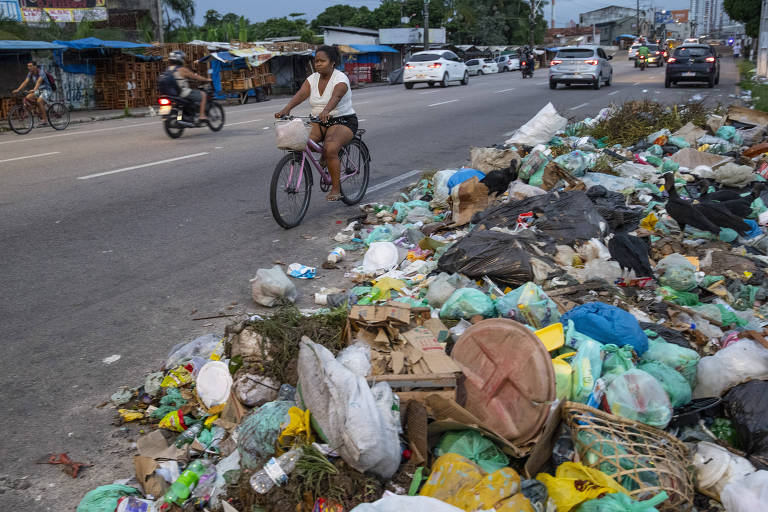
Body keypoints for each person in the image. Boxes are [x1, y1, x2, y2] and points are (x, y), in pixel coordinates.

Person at [275, 45, 358, 201]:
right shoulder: (312, 79)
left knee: (331, 148)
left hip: (343, 120)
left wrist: (327, 110)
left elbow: (336, 97)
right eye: (316, 61)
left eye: (322, 61)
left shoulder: (340, 78)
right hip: (319, 121)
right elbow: (300, 95)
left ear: (332, 62)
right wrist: (286, 109)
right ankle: (324, 157)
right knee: (298, 140)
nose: (318, 64)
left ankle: (336, 189)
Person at [167, 50, 211, 122]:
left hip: (173, 94)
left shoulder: (168, 69)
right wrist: (206, 79)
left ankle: (181, 118)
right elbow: (195, 77)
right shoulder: (182, 69)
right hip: (183, 92)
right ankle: (202, 116)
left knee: (183, 103)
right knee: (203, 95)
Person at [12, 61, 52, 126]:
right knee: (28, 97)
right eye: (28, 66)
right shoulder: (30, 73)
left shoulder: (41, 72)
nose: (29, 67)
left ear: (35, 66)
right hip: (38, 90)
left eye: (30, 66)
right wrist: (18, 89)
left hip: (46, 90)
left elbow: (38, 82)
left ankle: (45, 120)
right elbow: (25, 82)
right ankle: (37, 111)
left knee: (39, 101)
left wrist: (34, 90)